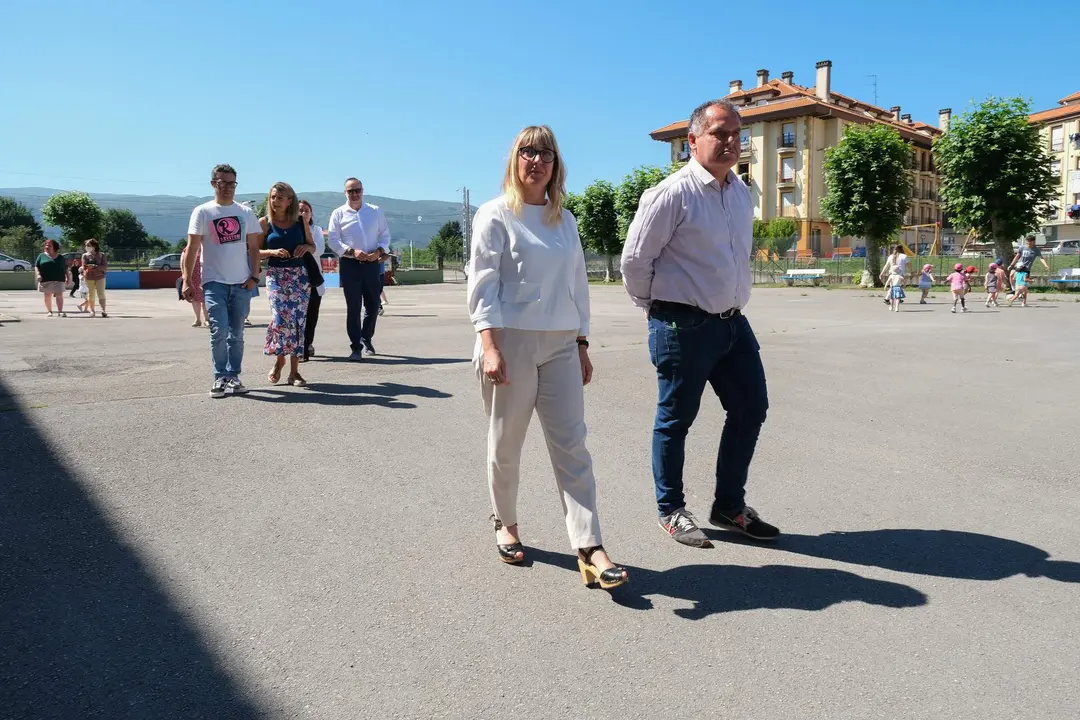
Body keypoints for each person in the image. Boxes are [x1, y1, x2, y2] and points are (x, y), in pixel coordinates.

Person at [468, 124, 627, 590]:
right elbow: (482, 285)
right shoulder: (495, 214)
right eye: (527, 152)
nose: (536, 161)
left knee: (572, 445)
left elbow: (577, 284)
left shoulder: (565, 219)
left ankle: (589, 544)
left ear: (556, 164)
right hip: (510, 341)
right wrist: (490, 346)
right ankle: (506, 522)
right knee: (506, 442)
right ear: (514, 160)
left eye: (546, 154)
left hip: (559, 343)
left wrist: (581, 342)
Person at [621, 99, 779, 548]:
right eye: (720, 134)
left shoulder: (740, 193)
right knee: (675, 420)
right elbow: (635, 259)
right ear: (693, 141)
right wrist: (654, 308)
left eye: (737, 134)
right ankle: (671, 510)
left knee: (751, 408)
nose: (731, 142)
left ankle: (729, 506)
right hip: (681, 325)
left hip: (733, 324)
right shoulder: (671, 194)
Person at [184, 163, 264, 398]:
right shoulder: (203, 212)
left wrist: (255, 277)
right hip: (214, 282)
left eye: (232, 183)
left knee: (236, 333)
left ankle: (234, 376)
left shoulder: (245, 212)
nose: (228, 188)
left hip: (241, 283)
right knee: (218, 331)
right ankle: (220, 377)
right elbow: (192, 247)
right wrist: (187, 280)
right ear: (213, 184)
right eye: (223, 183)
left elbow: (254, 248)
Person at [327, 178, 391, 360]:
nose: (354, 194)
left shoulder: (374, 211)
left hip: (372, 264)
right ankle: (356, 346)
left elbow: (385, 236)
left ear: (363, 191)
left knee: (372, 305)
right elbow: (333, 240)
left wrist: (379, 251)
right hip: (350, 265)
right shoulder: (338, 213)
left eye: (357, 190)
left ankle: (366, 338)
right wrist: (351, 251)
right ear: (345, 193)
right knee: (353, 307)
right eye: (350, 191)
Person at [259, 183, 315, 386]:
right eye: (273, 197)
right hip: (275, 276)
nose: (276, 201)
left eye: (281, 197)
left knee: (298, 322)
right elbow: (252, 251)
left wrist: (304, 247)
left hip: (299, 276)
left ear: (290, 200)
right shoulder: (265, 223)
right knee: (280, 319)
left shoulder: (300, 221)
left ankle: (295, 372)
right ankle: (279, 360)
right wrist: (271, 252)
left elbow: (313, 245)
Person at [298, 200, 325, 362]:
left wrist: (308, 245)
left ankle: (307, 344)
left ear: (311, 213)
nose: (303, 213)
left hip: (313, 279)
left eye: (306, 210)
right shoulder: (290, 229)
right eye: (299, 210)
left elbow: (320, 250)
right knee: (298, 315)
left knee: (312, 315)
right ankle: (298, 346)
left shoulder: (317, 230)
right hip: (295, 278)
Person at [34, 239, 69, 317]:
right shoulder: (41, 256)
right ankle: (49, 311)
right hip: (45, 279)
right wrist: (38, 274)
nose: (47, 247)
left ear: (54, 247)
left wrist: (68, 278)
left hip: (59, 279)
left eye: (49, 245)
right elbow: (37, 266)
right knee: (47, 295)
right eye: (46, 245)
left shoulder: (60, 257)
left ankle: (60, 311)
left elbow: (65, 268)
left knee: (59, 295)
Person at [181, 239, 209, 326]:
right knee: (195, 298)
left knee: (206, 298)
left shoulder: (208, 247)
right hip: (193, 278)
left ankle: (207, 319)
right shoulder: (187, 249)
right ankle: (197, 319)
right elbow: (183, 263)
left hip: (205, 276)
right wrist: (184, 276)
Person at [82, 238, 109, 317]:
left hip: (100, 276)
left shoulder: (101, 255)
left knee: (101, 293)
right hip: (89, 277)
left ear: (94, 246)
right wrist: (86, 267)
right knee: (91, 294)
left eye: (89, 245)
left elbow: (105, 267)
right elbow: (84, 266)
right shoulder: (85, 255)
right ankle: (92, 310)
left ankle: (103, 310)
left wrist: (95, 266)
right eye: (86, 245)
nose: (87, 247)